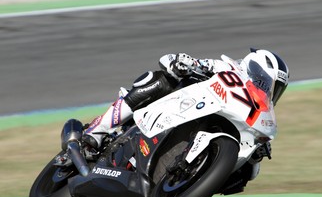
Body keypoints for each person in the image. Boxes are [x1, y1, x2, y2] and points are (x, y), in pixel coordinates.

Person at [82, 49, 289, 166]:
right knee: (161, 79)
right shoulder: (228, 68)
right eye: (265, 82)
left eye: (274, 89)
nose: (267, 90)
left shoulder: (256, 113)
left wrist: (254, 154)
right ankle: (99, 129)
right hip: (175, 109)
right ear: (252, 69)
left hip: (198, 128)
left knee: (252, 167)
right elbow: (169, 59)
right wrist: (183, 63)